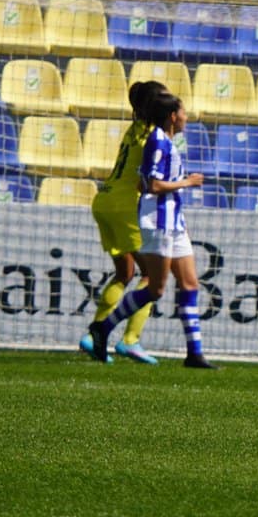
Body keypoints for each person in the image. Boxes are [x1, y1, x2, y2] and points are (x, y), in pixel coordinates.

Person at [84, 92, 214, 368]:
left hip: (175, 222)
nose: (187, 117)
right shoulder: (155, 140)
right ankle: (105, 329)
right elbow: (150, 185)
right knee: (154, 288)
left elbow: (143, 184)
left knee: (190, 283)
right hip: (158, 223)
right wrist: (187, 184)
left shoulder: (166, 140)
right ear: (172, 116)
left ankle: (194, 353)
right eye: (184, 112)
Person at [79, 80, 172, 364]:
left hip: (104, 200)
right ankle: (130, 340)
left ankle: (92, 335)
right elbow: (149, 180)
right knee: (151, 277)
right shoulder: (153, 137)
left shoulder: (135, 128)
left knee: (124, 273)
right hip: (124, 207)